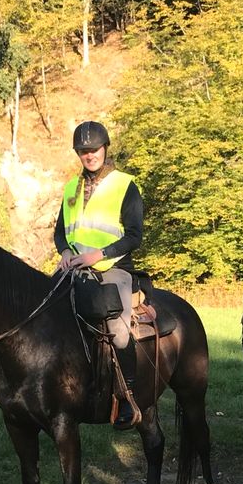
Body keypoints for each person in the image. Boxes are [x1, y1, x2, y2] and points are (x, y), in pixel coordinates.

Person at [54, 120, 143, 430]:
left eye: (93, 149)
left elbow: (134, 236)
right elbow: (59, 234)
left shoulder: (124, 185)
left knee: (118, 330)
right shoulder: (70, 189)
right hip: (73, 269)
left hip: (112, 269)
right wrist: (65, 251)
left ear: (105, 148)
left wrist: (98, 255)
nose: (89, 155)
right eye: (83, 151)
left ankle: (129, 397)